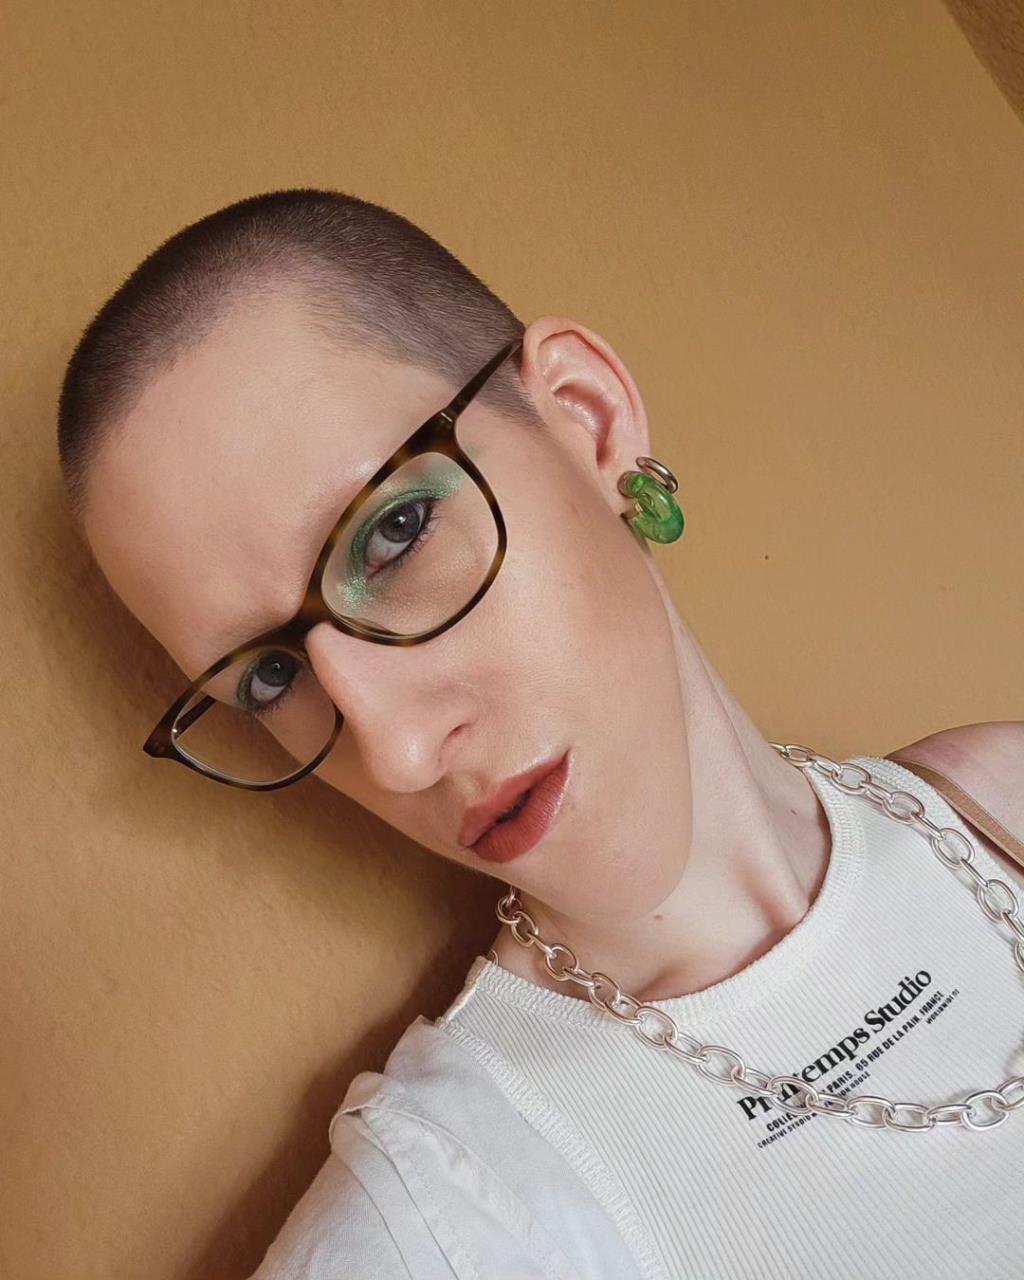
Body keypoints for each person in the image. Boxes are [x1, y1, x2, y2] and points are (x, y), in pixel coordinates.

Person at [57, 188, 1024, 1280]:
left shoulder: (999, 798)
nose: (396, 752)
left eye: (393, 533)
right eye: (271, 674)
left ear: (587, 419)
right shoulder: (441, 1227)